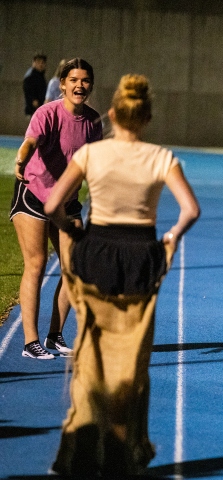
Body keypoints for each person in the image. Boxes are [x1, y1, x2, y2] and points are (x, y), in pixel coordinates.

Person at [45, 74, 200, 477]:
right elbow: (191, 210)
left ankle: (77, 454)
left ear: (112, 114)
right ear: (146, 118)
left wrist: (71, 229)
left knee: (89, 357)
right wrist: (171, 236)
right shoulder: (162, 157)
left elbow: (52, 205)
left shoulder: (92, 154)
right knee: (132, 362)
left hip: (95, 253)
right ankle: (124, 453)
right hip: (142, 260)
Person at [11, 58, 102, 360]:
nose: (80, 85)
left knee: (72, 268)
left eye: (85, 80)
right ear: (62, 84)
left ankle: (54, 336)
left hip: (67, 202)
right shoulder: (46, 113)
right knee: (36, 265)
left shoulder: (92, 122)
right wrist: (22, 159)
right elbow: (30, 142)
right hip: (34, 194)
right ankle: (30, 342)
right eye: (73, 80)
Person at [23, 52, 47, 117]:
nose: (41, 64)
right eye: (39, 62)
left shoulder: (41, 75)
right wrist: (34, 101)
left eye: (43, 62)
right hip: (33, 109)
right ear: (34, 62)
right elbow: (28, 92)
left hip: (40, 108)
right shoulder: (31, 76)